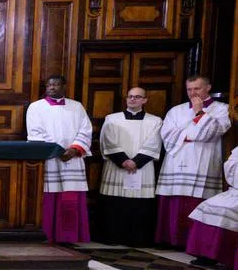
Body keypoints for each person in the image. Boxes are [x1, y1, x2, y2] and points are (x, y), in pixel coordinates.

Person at [154, 75, 232, 247]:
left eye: (197, 88)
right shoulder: (176, 110)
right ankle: (171, 239)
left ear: (208, 88)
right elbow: (167, 133)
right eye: (189, 89)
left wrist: (199, 113)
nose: (192, 93)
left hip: (204, 159)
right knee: (175, 198)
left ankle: (194, 243)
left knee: (198, 199)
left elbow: (214, 132)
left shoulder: (222, 109)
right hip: (177, 159)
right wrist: (195, 133)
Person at [26, 75, 92, 243]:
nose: (51, 87)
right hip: (49, 158)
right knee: (48, 197)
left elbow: (85, 130)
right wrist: (57, 150)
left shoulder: (76, 107)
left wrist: (74, 149)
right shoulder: (36, 107)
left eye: (55, 84)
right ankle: (47, 234)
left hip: (73, 158)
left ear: (64, 86)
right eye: (49, 85)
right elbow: (35, 132)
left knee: (70, 197)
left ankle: (69, 236)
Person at [96, 87, 162, 247]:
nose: (133, 99)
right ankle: (112, 236)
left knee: (140, 204)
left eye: (137, 97)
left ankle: (138, 239)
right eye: (130, 96)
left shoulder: (155, 121)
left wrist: (136, 162)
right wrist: (123, 160)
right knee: (114, 202)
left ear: (145, 100)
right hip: (116, 166)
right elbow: (107, 140)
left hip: (142, 167)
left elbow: (154, 142)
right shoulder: (112, 119)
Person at [186, 148, 238, 270]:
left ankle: (232, 265)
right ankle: (208, 255)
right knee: (207, 207)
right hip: (235, 191)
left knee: (226, 212)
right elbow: (230, 166)